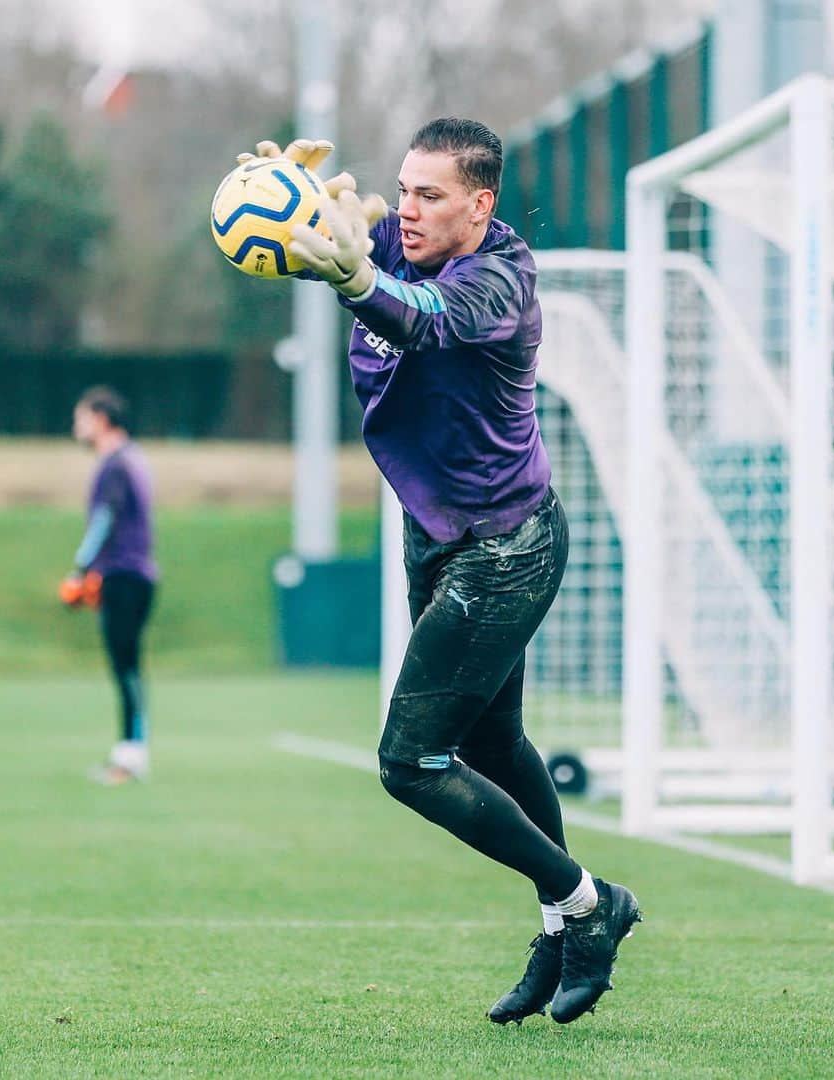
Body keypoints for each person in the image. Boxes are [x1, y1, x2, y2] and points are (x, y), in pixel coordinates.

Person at [251, 120, 639, 1025]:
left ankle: (590, 905)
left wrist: (352, 279)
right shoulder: (399, 235)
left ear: (482, 202)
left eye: (432, 194)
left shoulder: (501, 281)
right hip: (437, 534)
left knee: (411, 762)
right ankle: (563, 923)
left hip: (506, 548)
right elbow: (340, 238)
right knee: (493, 744)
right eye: (405, 188)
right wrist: (292, 204)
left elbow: (421, 321)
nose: (410, 209)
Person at [63, 386, 158, 786]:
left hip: (124, 575)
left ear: (101, 419)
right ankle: (130, 751)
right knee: (128, 668)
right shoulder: (129, 458)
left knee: (126, 669)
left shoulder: (115, 464)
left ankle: (133, 756)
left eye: (81, 418)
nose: (76, 427)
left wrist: (80, 568)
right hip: (133, 576)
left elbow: (104, 519)